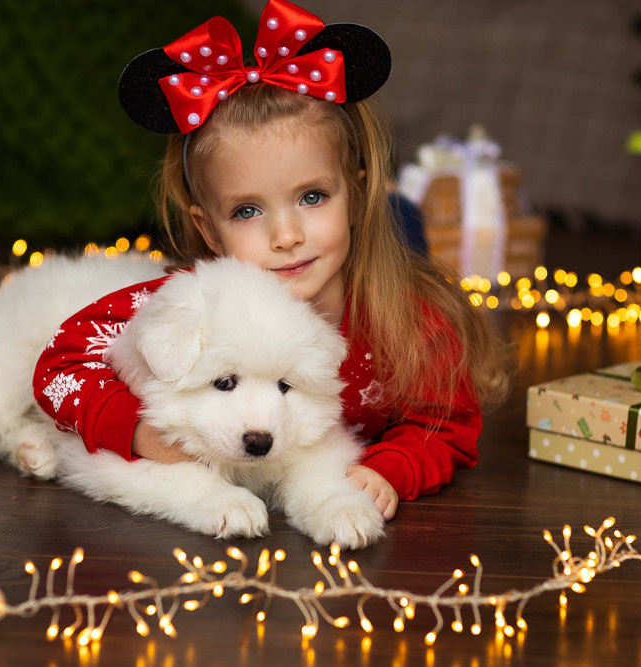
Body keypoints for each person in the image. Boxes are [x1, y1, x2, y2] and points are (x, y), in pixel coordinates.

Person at [33, 0, 508, 522]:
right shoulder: (195, 302)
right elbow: (62, 366)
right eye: (247, 210)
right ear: (207, 230)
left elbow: (444, 423)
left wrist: (391, 467)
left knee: (403, 228)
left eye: (312, 197)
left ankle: (401, 213)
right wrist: (136, 429)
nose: (286, 236)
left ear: (355, 192)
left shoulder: (411, 317)